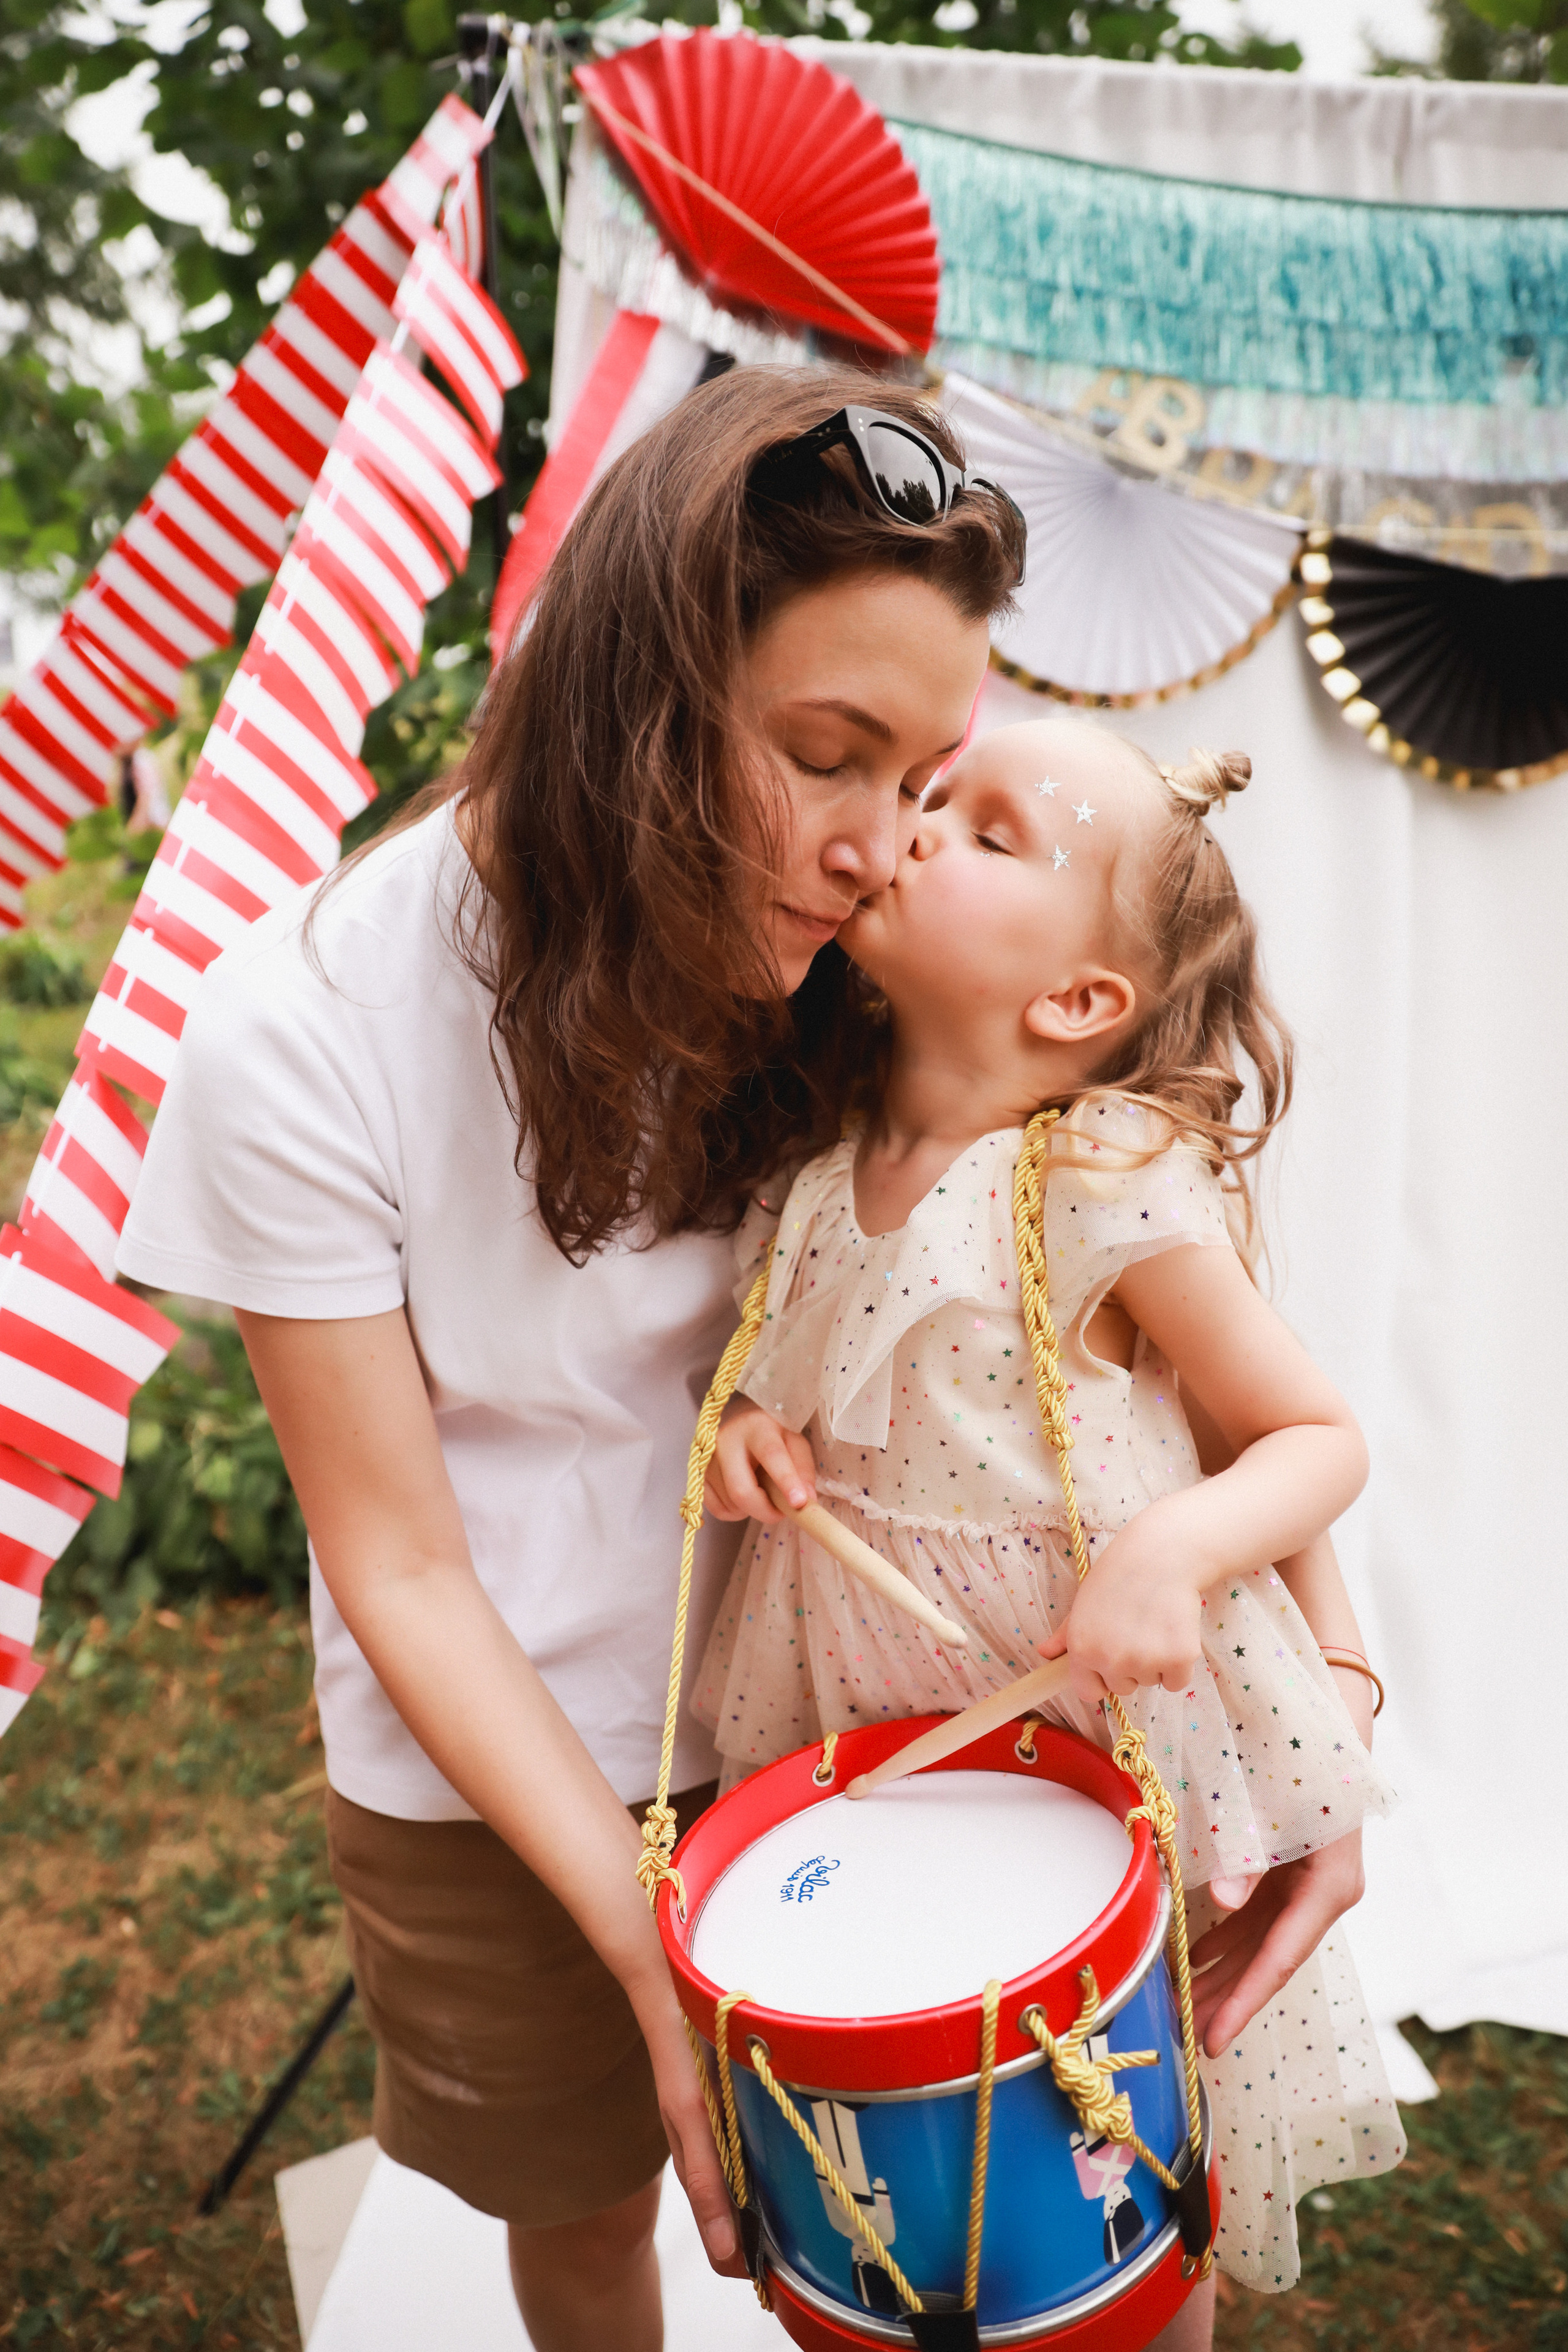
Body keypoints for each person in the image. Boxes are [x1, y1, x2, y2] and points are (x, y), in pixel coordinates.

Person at [113, 367, 1025, 2352]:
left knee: (898, 2223)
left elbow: (1128, 1213)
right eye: (825, 755)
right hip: (492, 1765)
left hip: (819, 1692)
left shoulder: (842, 953)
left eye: (923, 773)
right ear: (635, 688)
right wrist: (640, 1946)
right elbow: (404, 1565)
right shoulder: (303, 1029)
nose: (881, 852)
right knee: (604, 2211)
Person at [697, 716, 1406, 2337]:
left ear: (1081, 1001)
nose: (922, 826)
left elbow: (1309, 1437)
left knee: (1127, 2168)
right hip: (873, 1724)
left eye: (990, 829)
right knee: (926, 2141)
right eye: (936, 801)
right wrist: (746, 1435)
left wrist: (1174, 1549)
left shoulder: (1102, 1176)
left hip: (1101, 1725)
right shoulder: (810, 1184)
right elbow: (784, 1391)